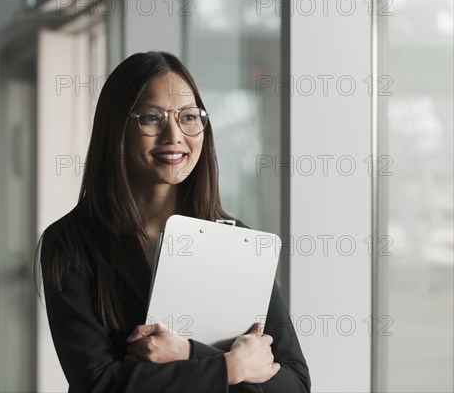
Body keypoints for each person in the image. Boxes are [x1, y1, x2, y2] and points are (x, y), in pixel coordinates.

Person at [35, 50, 311, 392]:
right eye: (152, 117)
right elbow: (99, 384)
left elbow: (294, 384)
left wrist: (188, 352)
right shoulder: (70, 242)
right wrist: (230, 367)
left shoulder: (237, 242)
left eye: (189, 117)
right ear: (116, 127)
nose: (174, 135)